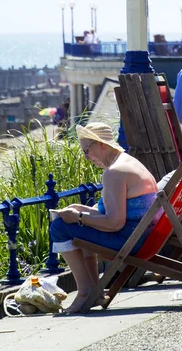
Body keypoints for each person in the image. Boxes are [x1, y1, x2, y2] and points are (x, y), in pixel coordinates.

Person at [50, 122, 158, 313]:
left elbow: (115, 223)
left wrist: (79, 217)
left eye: (87, 150)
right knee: (75, 226)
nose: (86, 157)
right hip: (143, 235)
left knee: (59, 227)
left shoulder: (114, 173)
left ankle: (85, 291)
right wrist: (81, 210)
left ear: (102, 144)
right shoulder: (127, 162)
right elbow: (121, 212)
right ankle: (94, 291)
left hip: (131, 241)